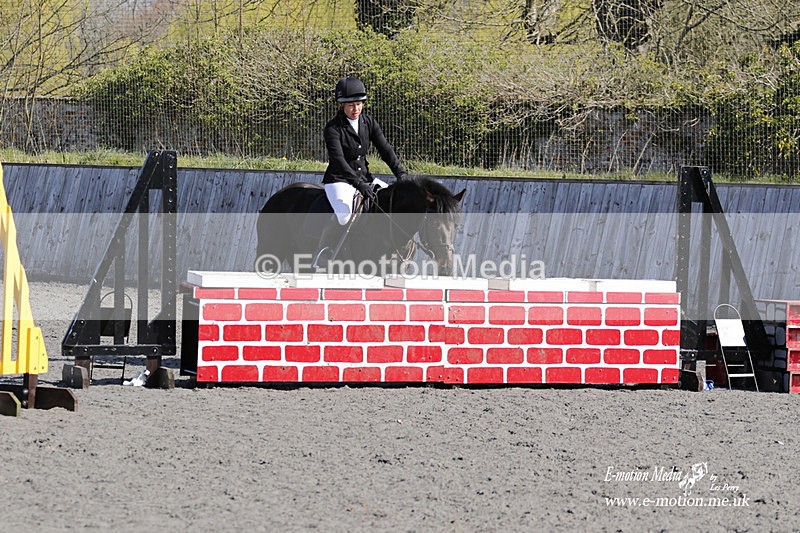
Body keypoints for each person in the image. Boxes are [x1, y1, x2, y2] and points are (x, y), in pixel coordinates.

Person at [315, 75, 408, 264]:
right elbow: (339, 160)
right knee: (344, 215)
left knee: (389, 202)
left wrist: (401, 174)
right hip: (339, 180)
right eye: (350, 105)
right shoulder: (333, 128)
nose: (355, 109)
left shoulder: (368, 122)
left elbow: (385, 149)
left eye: (358, 104)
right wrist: (358, 183)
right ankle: (325, 251)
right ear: (342, 105)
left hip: (365, 178)